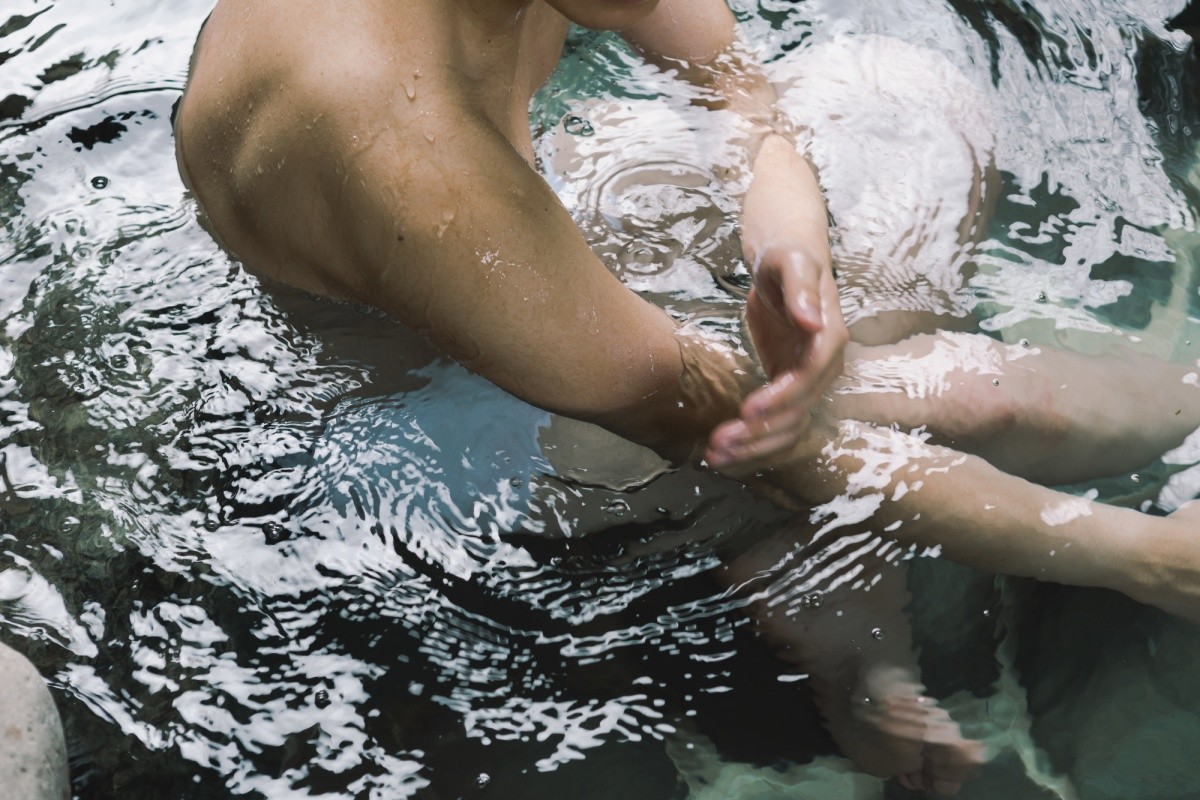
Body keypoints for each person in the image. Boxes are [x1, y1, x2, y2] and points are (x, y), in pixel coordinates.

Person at [174, 0, 1200, 792]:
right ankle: (852, 636)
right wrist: (1130, 555)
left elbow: (737, 90)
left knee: (892, 89)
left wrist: (794, 257)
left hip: (559, 246)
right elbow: (749, 434)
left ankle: (832, 595)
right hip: (483, 424)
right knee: (974, 395)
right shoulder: (399, 145)